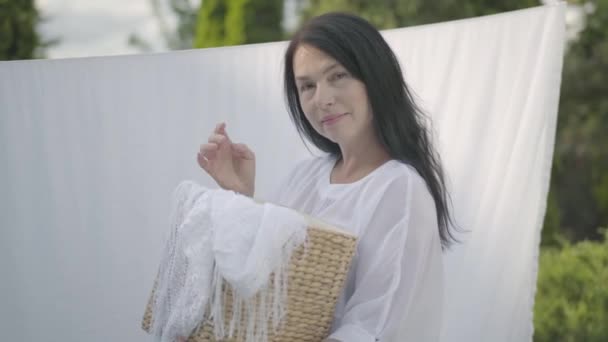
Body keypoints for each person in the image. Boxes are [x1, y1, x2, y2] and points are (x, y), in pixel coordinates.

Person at [196, 12, 457, 342]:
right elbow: (265, 287)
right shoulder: (304, 177)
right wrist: (241, 195)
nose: (322, 99)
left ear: (376, 77)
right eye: (307, 86)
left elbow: (373, 327)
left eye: (338, 76)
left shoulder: (399, 190)